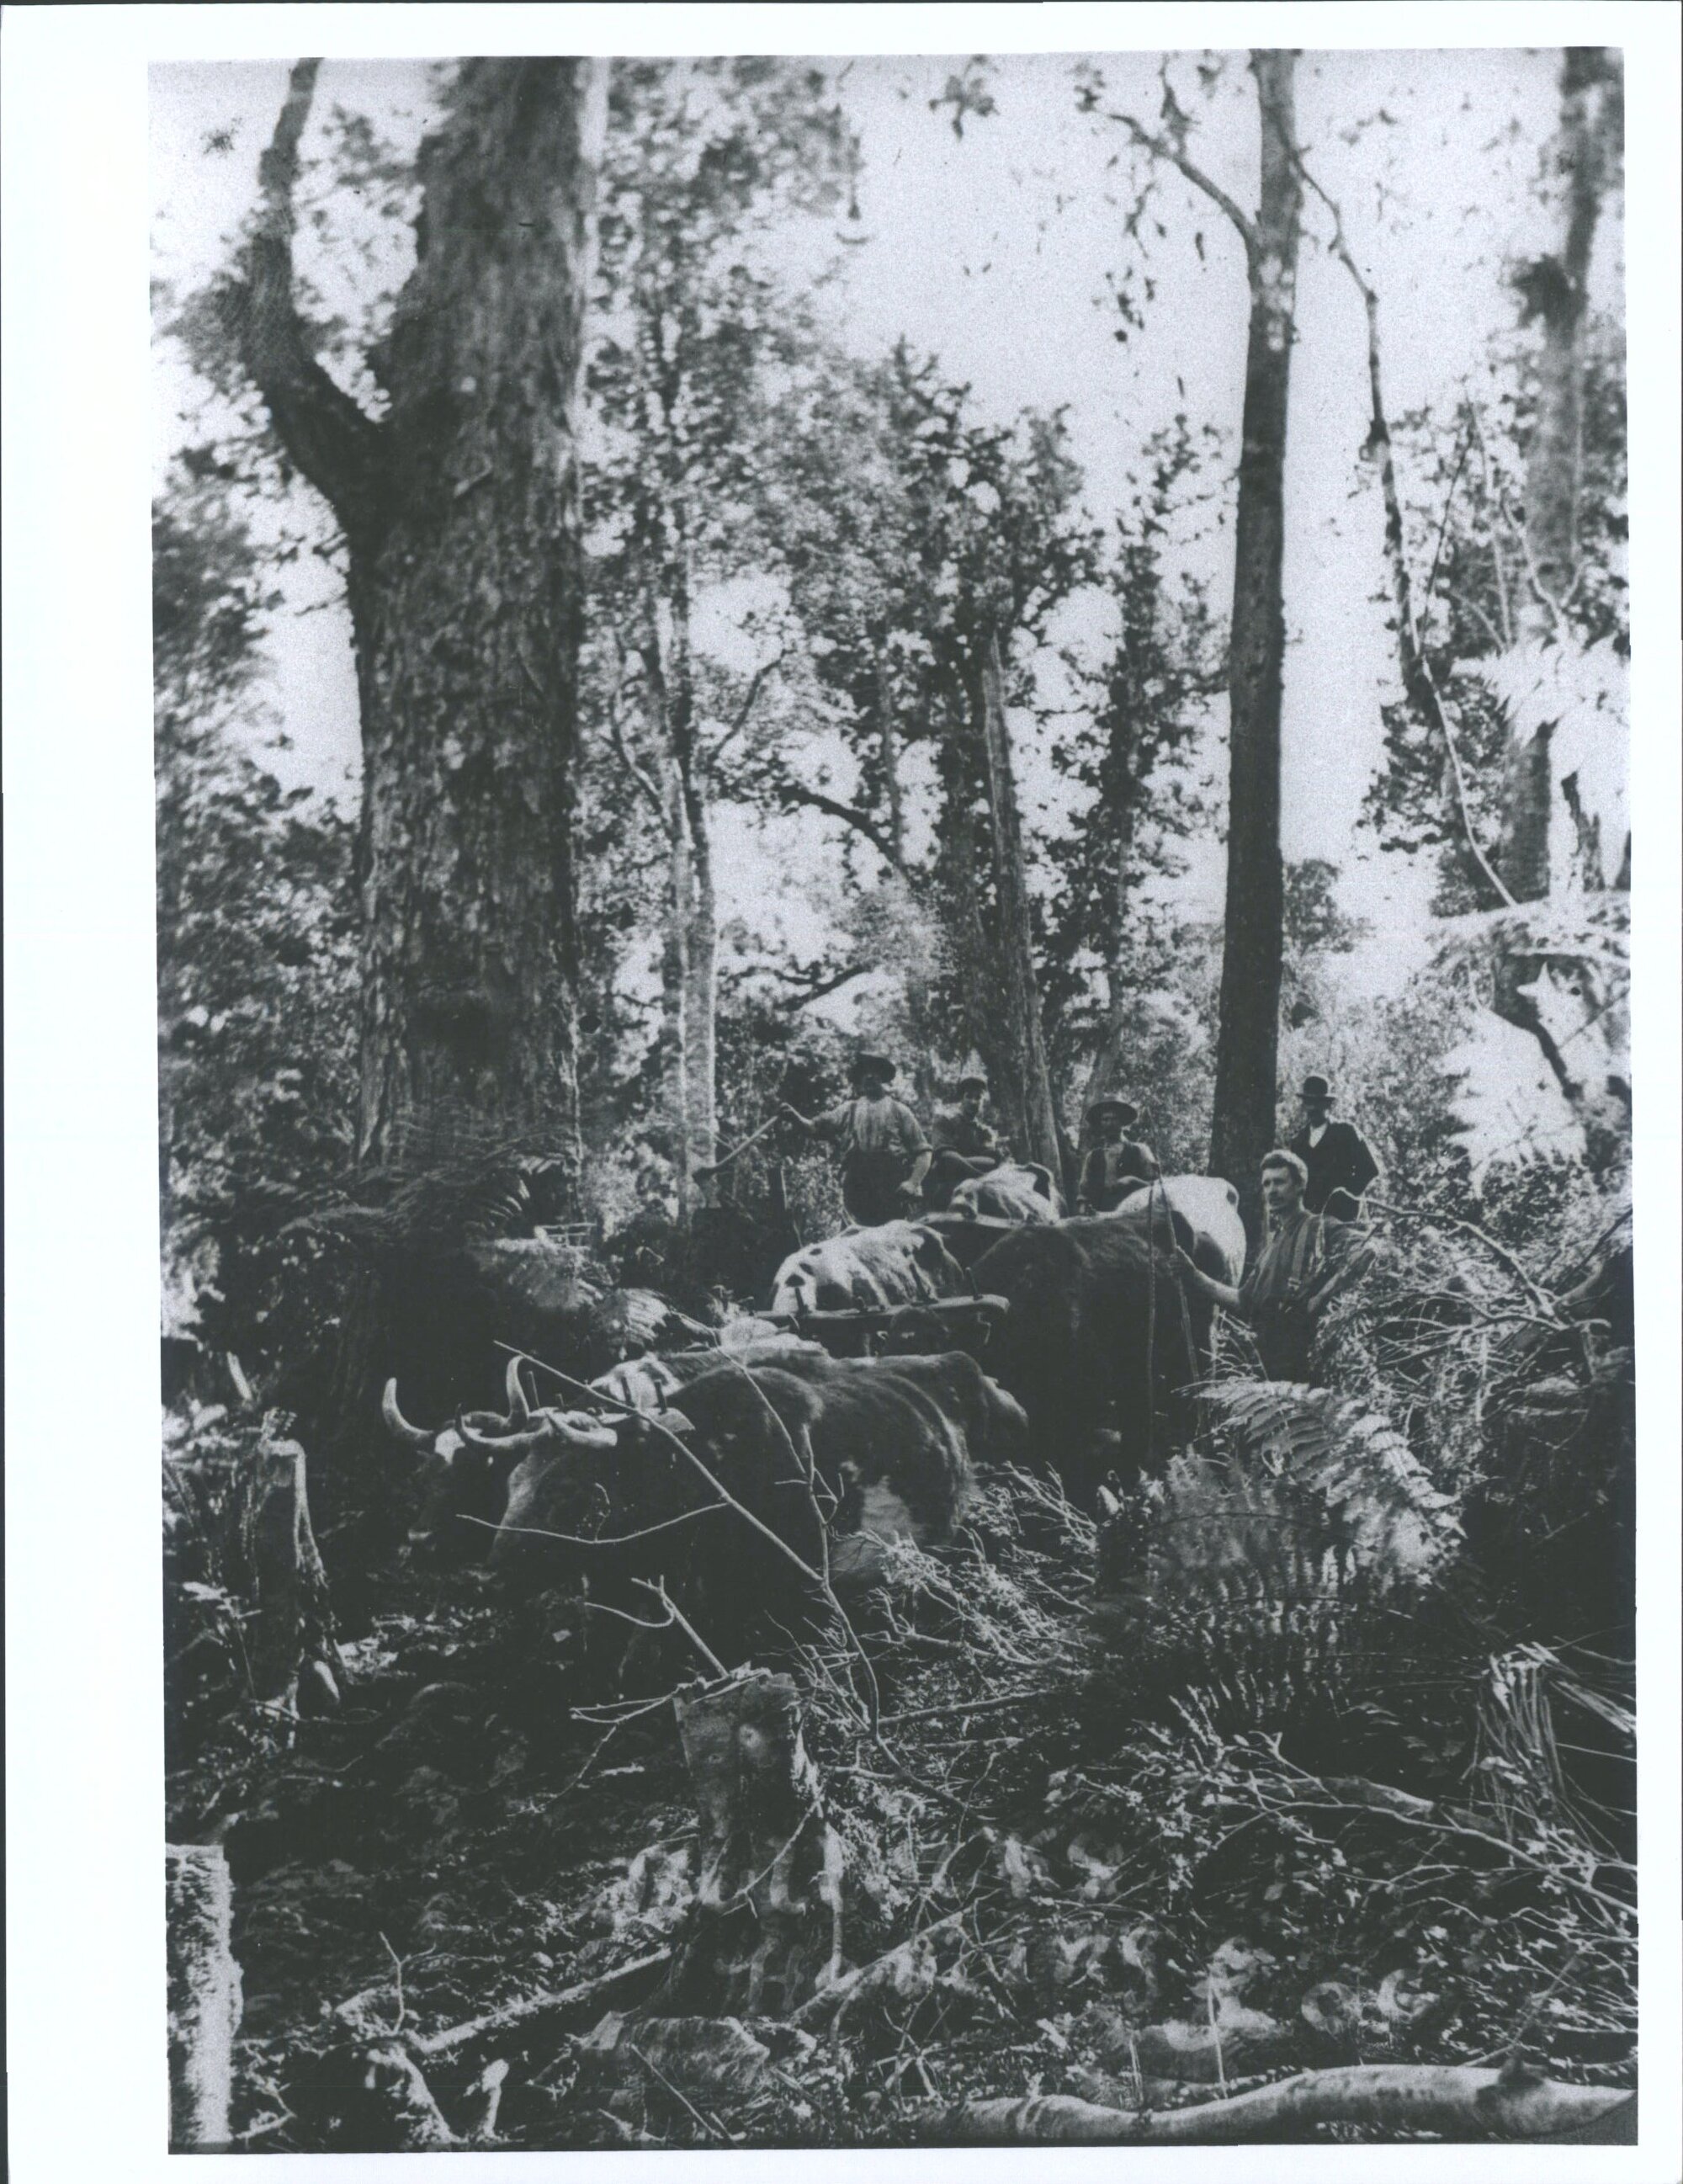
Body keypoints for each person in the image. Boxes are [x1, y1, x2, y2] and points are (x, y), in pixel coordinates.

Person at [1174, 1149, 1373, 1383]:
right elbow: (1242, 1302)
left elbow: (1366, 1251)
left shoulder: (1320, 1226)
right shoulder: (1271, 1248)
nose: (1271, 1191)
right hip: (1268, 1364)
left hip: (1307, 1362)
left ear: (1300, 1186)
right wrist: (1194, 1275)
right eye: (1266, 1184)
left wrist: (1320, 1299)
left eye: (1279, 1182)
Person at [782, 1052, 932, 1228]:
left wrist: (913, 1183)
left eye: (873, 1071)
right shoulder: (849, 1109)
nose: (868, 1076)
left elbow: (924, 1152)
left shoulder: (900, 1111)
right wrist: (794, 1117)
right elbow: (815, 1128)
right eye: (864, 1073)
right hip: (858, 1186)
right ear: (859, 1079)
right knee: (853, 1239)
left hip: (890, 1186)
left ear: (882, 1076)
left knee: (890, 1241)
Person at [1288, 1073, 1379, 1220]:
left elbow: (1370, 1169)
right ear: (1304, 1105)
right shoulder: (1299, 1142)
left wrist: (1347, 1196)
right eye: (1308, 1102)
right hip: (1309, 1218)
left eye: (1318, 1102)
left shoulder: (1345, 1133)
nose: (1313, 1108)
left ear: (1328, 1104)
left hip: (1342, 1217)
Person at [923, 1073, 1006, 1210]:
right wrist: (978, 1173)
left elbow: (991, 1161)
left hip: (980, 1186)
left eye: (978, 1097)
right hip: (948, 1185)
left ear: (983, 1101)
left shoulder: (985, 1132)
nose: (973, 1102)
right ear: (961, 1099)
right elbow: (945, 1155)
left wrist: (959, 1160)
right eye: (969, 1096)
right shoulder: (945, 1122)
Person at [1076, 1095, 1160, 1213]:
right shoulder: (1093, 1156)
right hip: (1100, 1214)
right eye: (1105, 1120)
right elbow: (1084, 1191)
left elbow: (1155, 1187)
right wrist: (1082, 1210)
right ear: (1100, 1124)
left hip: (1134, 1213)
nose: (1110, 1123)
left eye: (1114, 1119)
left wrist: (1131, 1181)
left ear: (1122, 1121)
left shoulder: (1139, 1150)